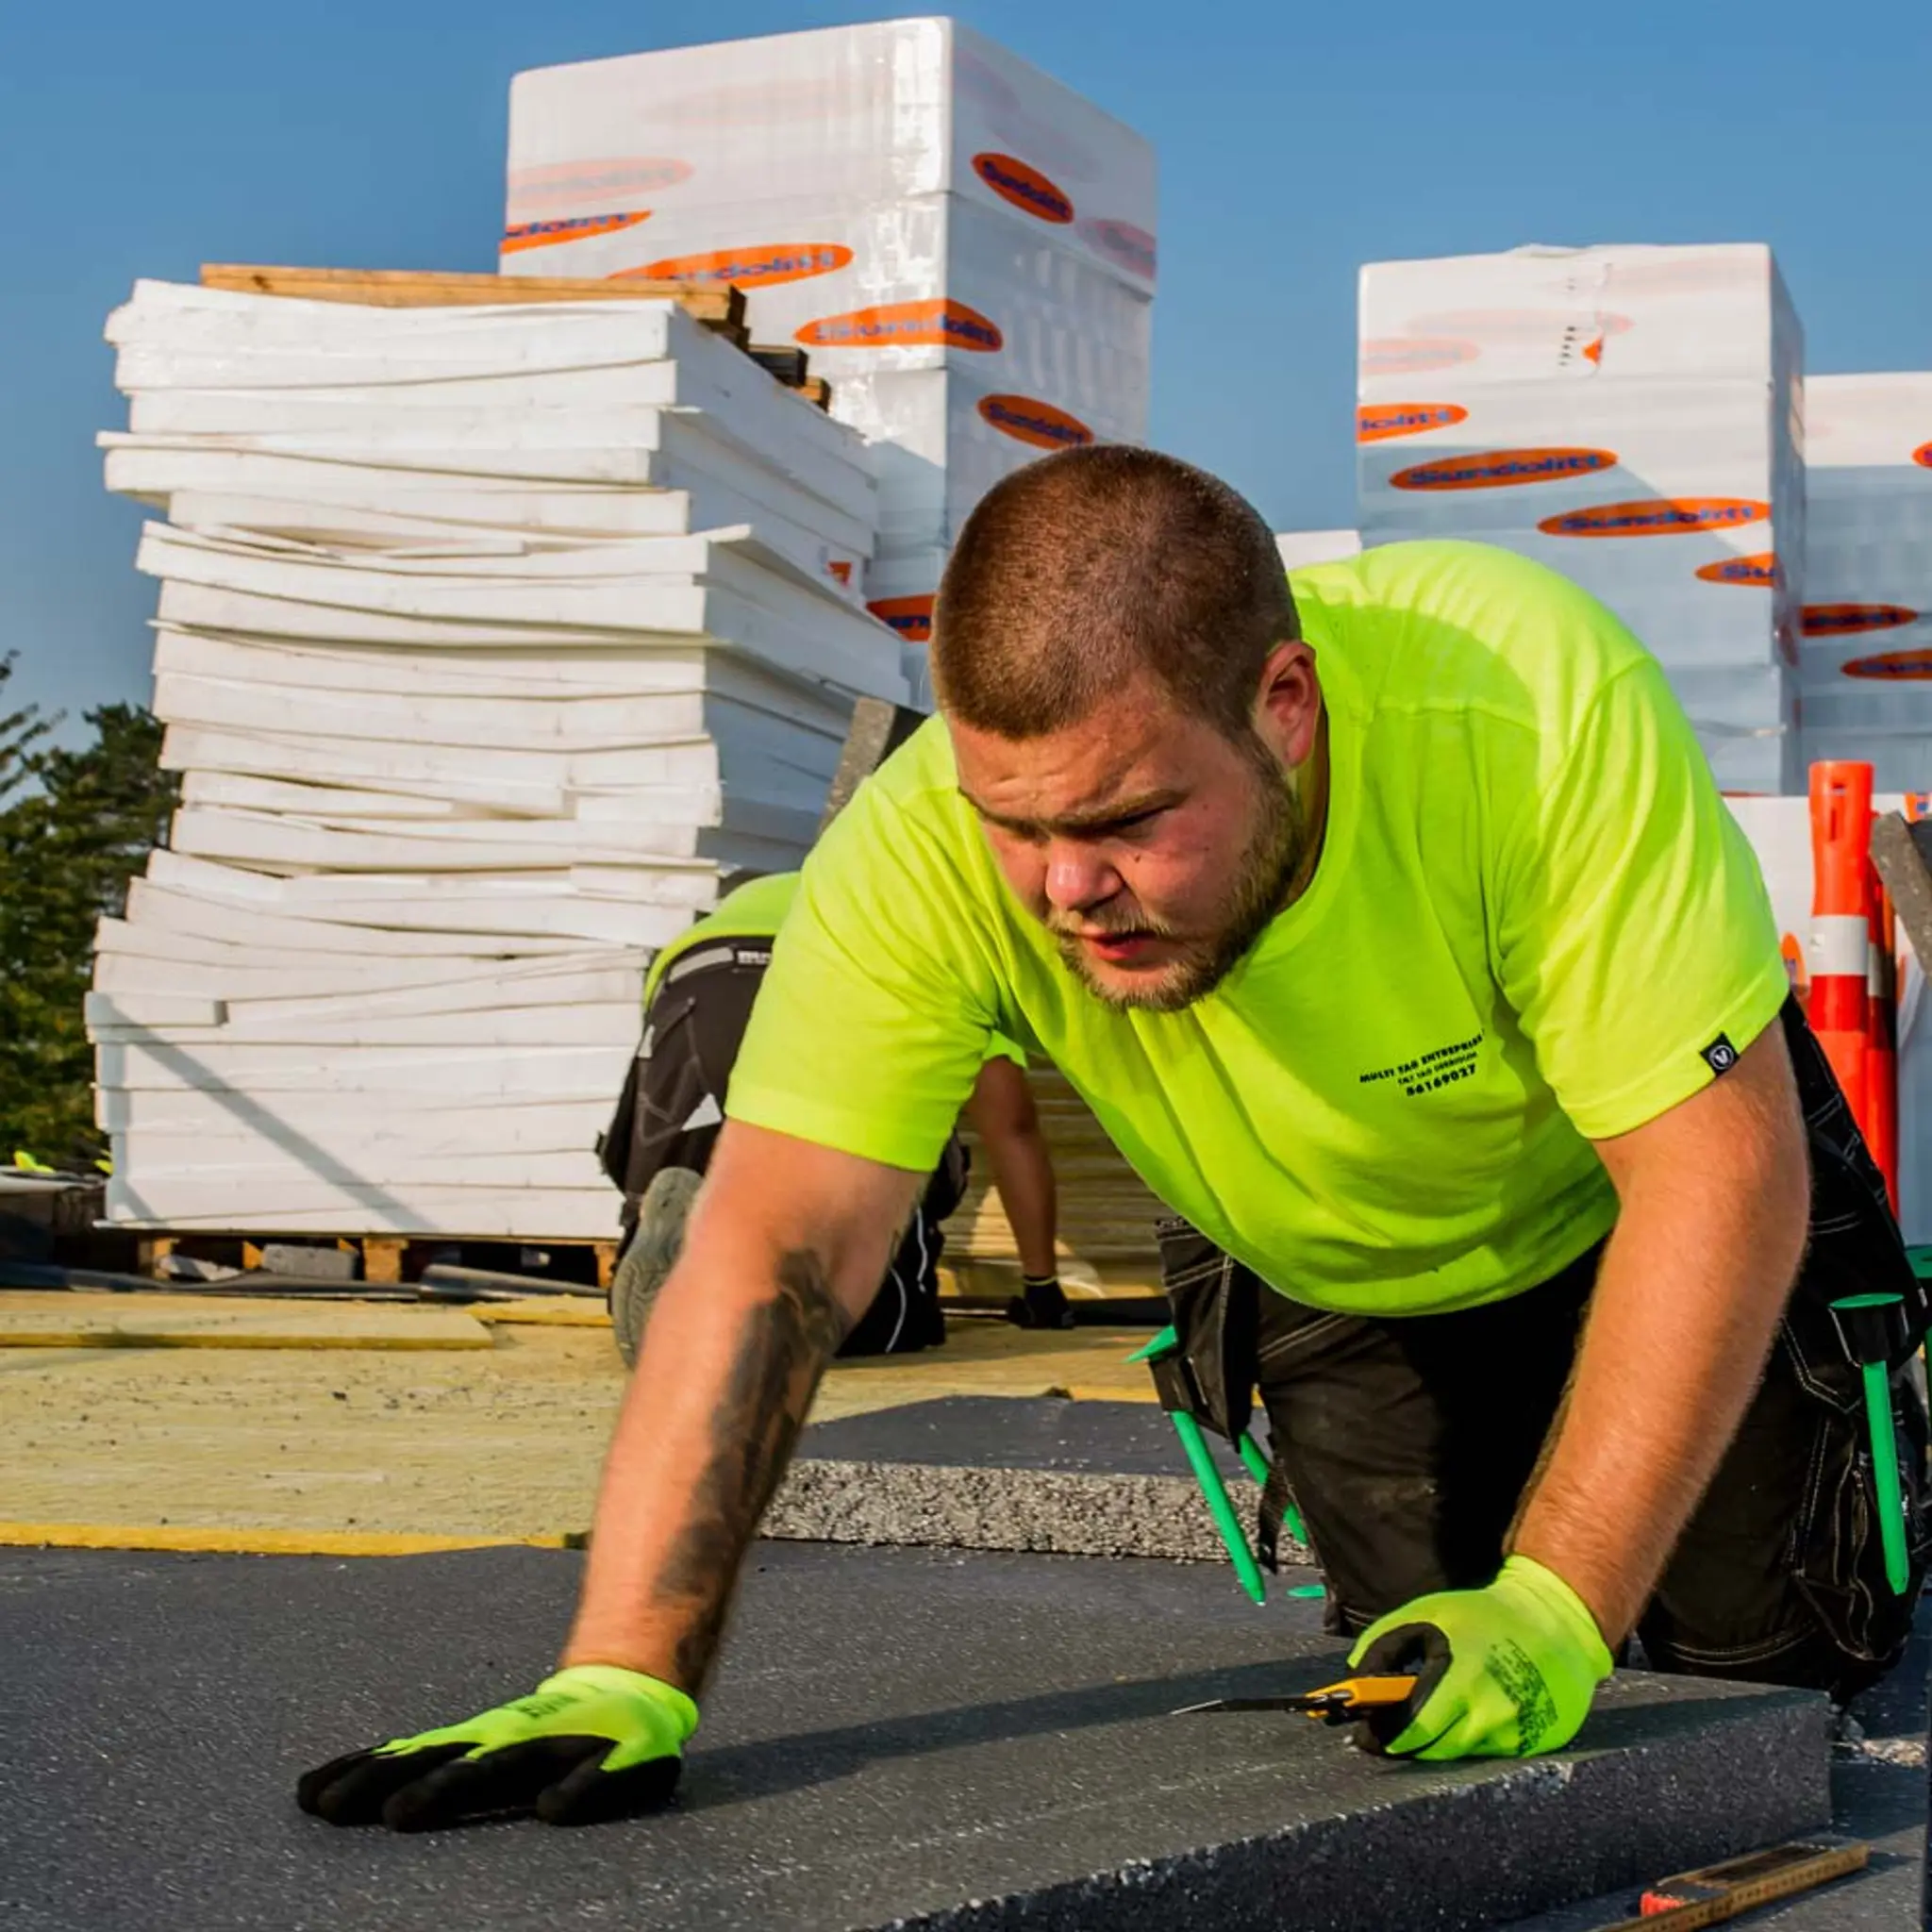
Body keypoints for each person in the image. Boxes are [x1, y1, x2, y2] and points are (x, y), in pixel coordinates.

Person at [298, 447, 1928, 1834]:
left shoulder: (1522, 711)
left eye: (1127, 819)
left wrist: (1562, 1594)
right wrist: (623, 1661)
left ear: (1282, 703)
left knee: (1740, 1717)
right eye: (1019, 825)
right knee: (1438, 1722)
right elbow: (774, 1244)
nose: (1065, 886)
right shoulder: (925, 851)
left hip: (1627, 1201)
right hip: (1325, 1262)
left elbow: (1712, 1176)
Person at [597, 870, 1065, 1365]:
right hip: (845, 977)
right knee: (890, 1310)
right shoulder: (939, 934)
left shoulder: (750, 899)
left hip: (694, 981)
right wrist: (1041, 1286)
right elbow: (1010, 1127)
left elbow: (631, 1135)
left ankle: (669, 1275)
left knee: (685, 1162)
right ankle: (813, 1296)